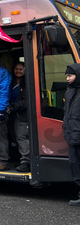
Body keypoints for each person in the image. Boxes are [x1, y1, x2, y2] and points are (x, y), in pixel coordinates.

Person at [8, 62, 30, 172]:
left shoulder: (27, 83)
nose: (18, 71)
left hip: (21, 115)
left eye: (21, 69)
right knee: (14, 137)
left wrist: (13, 107)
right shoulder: (10, 82)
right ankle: (18, 158)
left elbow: (26, 102)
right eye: (16, 69)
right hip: (11, 115)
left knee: (22, 137)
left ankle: (26, 162)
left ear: (25, 70)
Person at [63, 63, 80, 206]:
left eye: (70, 75)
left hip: (78, 134)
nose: (68, 78)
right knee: (74, 164)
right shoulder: (69, 92)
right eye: (67, 76)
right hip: (72, 134)